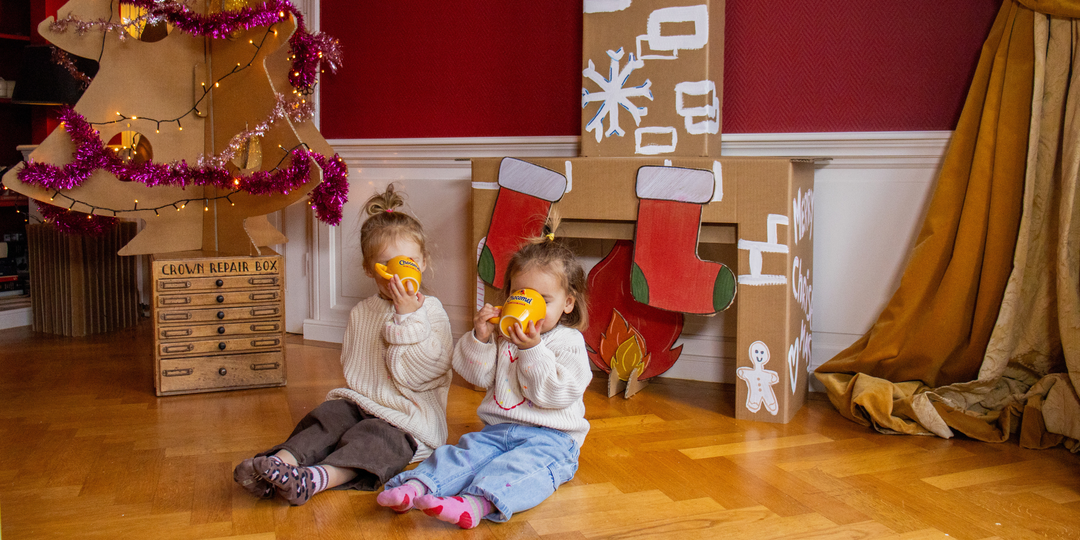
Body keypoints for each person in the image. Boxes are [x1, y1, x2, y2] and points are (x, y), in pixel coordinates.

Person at [233, 184, 453, 506]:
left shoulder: (430, 311)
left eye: (407, 262)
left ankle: (314, 479)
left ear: (422, 263)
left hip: (409, 420)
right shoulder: (362, 312)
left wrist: (406, 318)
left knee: (375, 439)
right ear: (369, 268)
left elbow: (423, 376)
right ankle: (278, 465)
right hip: (364, 404)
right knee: (329, 416)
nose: (397, 277)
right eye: (387, 265)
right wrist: (354, 410)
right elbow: (357, 372)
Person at [377, 216, 591, 528]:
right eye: (520, 295)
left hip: (552, 439)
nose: (529, 307)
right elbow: (476, 376)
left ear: (568, 303)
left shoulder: (569, 343)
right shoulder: (504, 336)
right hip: (497, 431)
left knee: (521, 469)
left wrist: (532, 349)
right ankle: (416, 487)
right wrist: (480, 338)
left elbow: (552, 395)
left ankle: (474, 504)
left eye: (543, 300)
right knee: (462, 454)